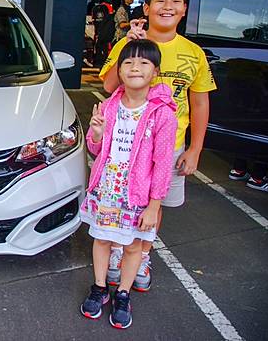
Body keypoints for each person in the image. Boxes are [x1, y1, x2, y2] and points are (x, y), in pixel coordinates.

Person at [99, 0, 217, 291]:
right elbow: (109, 86)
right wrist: (126, 41)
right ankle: (116, 251)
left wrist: (195, 149)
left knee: (153, 204)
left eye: (175, 1)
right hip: (123, 148)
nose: (168, 7)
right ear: (147, 8)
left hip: (168, 147)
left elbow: (200, 101)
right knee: (116, 199)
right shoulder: (132, 44)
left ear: (184, 10)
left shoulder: (194, 53)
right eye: (160, 1)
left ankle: (143, 255)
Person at [80, 39, 177, 329]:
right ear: (119, 71)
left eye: (144, 62)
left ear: (156, 71)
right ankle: (100, 287)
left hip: (137, 196)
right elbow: (96, 150)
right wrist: (95, 134)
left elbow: (162, 164)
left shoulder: (163, 114)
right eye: (128, 62)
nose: (135, 67)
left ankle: (123, 293)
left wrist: (154, 205)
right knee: (102, 240)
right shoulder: (108, 107)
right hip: (107, 190)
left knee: (134, 246)